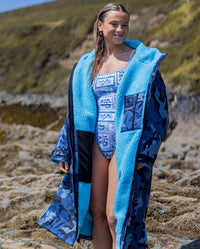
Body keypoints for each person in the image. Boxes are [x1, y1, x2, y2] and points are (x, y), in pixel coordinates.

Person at [38, 3, 169, 249]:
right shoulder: (87, 65)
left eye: (125, 25)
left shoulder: (142, 62)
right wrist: (65, 148)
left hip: (126, 142)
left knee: (115, 216)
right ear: (100, 26)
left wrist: (145, 152)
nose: (120, 30)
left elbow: (158, 111)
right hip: (95, 142)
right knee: (97, 214)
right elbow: (75, 110)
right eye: (114, 24)